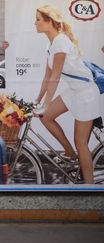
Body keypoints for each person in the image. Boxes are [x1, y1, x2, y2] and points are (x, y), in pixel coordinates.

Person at [33, 5, 101, 184]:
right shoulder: (51, 44)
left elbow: (55, 76)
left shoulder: (61, 42)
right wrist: (38, 100)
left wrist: (46, 103)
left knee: (81, 143)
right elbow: (47, 77)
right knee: (46, 117)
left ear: (49, 22)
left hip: (86, 93)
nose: (35, 23)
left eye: (38, 19)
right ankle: (69, 152)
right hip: (74, 90)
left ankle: (89, 187)